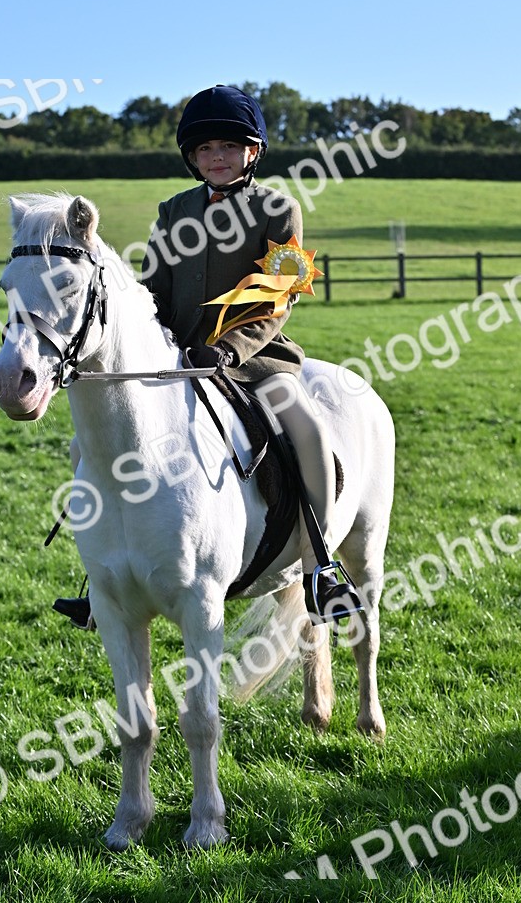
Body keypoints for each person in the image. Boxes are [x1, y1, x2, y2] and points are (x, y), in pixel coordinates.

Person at [140, 84, 362, 623]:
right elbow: (152, 291)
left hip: (258, 360)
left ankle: (319, 566)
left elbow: (277, 295)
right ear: (192, 158)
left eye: (228, 147)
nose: (216, 158)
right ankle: (103, 574)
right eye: (205, 150)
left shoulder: (278, 210)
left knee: (307, 429)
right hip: (178, 361)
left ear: (252, 152)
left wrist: (228, 350)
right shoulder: (173, 212)